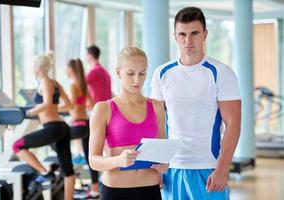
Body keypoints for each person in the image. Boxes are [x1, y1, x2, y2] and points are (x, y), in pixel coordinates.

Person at [151, 7, 241, 200]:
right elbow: (157, 124)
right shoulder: (161, 73)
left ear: (205, 34)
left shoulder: (222, 73)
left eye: (194, 33)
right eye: (182, 34)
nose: (188, 40)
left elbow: (233, 125)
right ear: (175, 36)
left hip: (208, 168)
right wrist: (158, 165)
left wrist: (222, 169)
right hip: (172, 169)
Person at [89, 47, 168, 200]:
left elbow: (161, 152)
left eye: (142, 73)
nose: (137, 80)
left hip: (150, 191)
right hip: (116, 192)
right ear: (118, 72)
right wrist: (118, 160)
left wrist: (163, 165)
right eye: (130, 73)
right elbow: (93, 160)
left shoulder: (157, 107)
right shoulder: (103, 109)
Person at [12, 52, 75, 200]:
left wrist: (28, 113)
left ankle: (45, 173)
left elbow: (46, 104)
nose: (32, 68)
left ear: (38, 68)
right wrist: (54, 109)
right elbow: (69, 105)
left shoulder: (45, 82)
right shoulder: (55, 83)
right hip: (61, 127)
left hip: (53, 128)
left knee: (17, 146)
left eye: (33, 65)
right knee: (68, 170)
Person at [65, 58, 100, 199]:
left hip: (78, 123)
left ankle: (69, 166)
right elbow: (91, 104)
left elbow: (71, 105)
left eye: (66, 68)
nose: (65, 71)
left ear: (71, 69)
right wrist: (80, 105)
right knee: (90, 158)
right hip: (86, 124)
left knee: (58, 141)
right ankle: (95, 190)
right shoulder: (83, 85)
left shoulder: (73, 85)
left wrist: (55, 107)